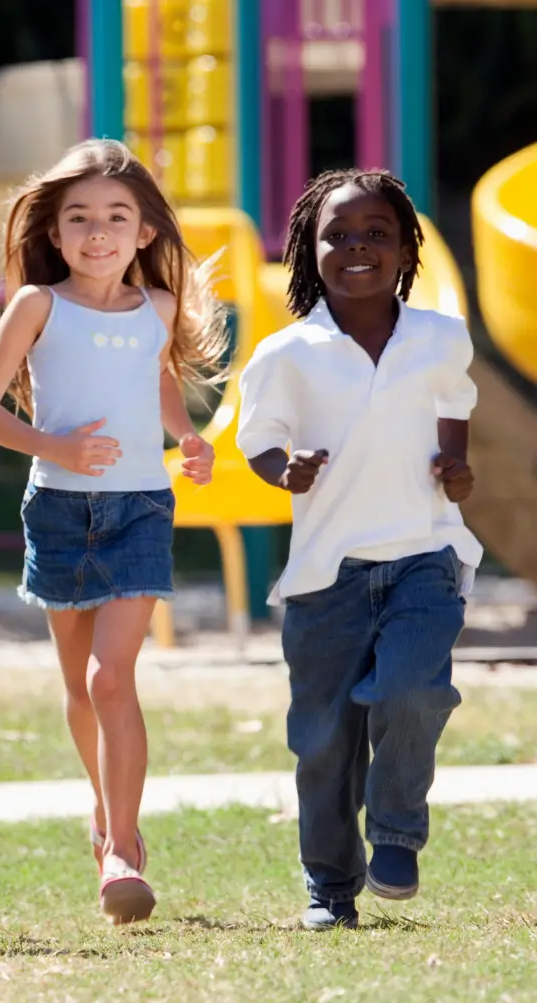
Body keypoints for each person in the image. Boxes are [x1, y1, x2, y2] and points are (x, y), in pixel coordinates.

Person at [0, 139, 227, 924]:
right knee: (79, 687)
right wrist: (58, 447)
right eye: (78, 218)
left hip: (141, 508)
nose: (98, 232)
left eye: (116, 217)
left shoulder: (159, 309)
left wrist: (186, 437)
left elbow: (157, 380)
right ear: (55, 231)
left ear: (145, 232)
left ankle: (121, 846)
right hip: (58, 511)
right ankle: (106, 812)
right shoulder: (36, 306)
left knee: (113, 678)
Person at [236, 168, 482, 929]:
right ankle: (330, 889)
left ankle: (399, 834)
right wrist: (289, 471)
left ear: (406, 246)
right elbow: (259, 442)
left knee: (413, 691)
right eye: (335, 235)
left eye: (376, 233)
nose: (355, 247)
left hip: (425, 553)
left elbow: (456, 406)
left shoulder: (439, 337)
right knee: (324, 744)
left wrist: (455, 466)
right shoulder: (287, 353)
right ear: (309, 252)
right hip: (326, 574)